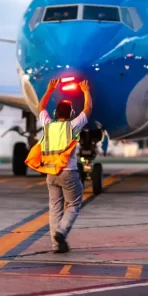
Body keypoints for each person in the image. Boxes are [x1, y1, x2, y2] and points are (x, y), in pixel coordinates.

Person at [26, 78, 92, 253]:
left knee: (55, 208)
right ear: (70, 114)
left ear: (55, 114)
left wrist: (49, 90)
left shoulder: (48, 126)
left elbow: (40, 109)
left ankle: (56, 245)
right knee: (73, 205)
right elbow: (88, 110)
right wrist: (85, 91)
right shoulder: (72, 126)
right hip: (68, 172)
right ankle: (61, 232)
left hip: (51, 173)